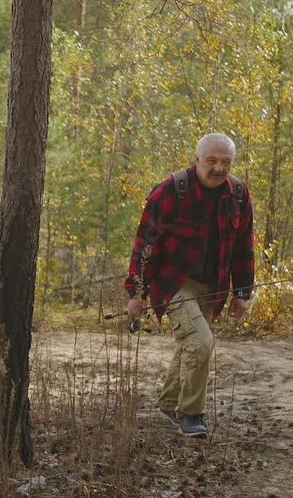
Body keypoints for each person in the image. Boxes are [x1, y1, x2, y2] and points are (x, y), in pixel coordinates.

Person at [124, 132, 255, 439]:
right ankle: (191, 414)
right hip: (173, 285)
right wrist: (137, 293)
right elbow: (145, 244)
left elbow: (244, 247)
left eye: (226, 162)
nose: (219, 168)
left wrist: (241, 293)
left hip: (214, 286)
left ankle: (169, 403)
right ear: (197, 159)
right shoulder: (171, 191)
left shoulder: (238, 194)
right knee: (201, 343)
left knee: (190, 344)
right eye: (212, 161)